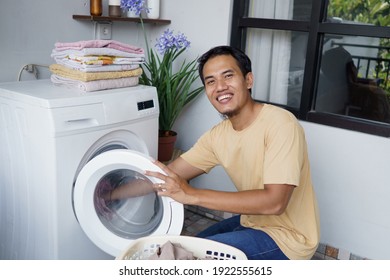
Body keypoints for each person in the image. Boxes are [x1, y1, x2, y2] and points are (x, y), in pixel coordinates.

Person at [146, 45, 320, 260]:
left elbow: (275, 202)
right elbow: (167, 174)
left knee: (188, 260)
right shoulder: (217, 136)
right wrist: (107, 189)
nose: (219, 87)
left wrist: (192, 195)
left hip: (289, 238)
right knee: (182, 248)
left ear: (248, 80)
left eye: (228, 76)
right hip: (253, 221)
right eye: (210, 81)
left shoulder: (281, 123)